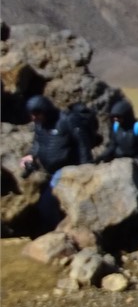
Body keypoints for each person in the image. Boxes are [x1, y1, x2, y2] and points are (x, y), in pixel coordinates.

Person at [20, 95, 93, 227]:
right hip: (50, 172)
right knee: (44, 206)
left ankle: (58, 235)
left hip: (68, 171)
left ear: (46, 111)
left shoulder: (67, 120)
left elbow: (83, 144)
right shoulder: (40, 125)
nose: (34, 118)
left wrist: (85, 170)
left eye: (37, 114)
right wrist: (31, 155)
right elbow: (38, 142)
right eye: (32, 114)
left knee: (47, 205)